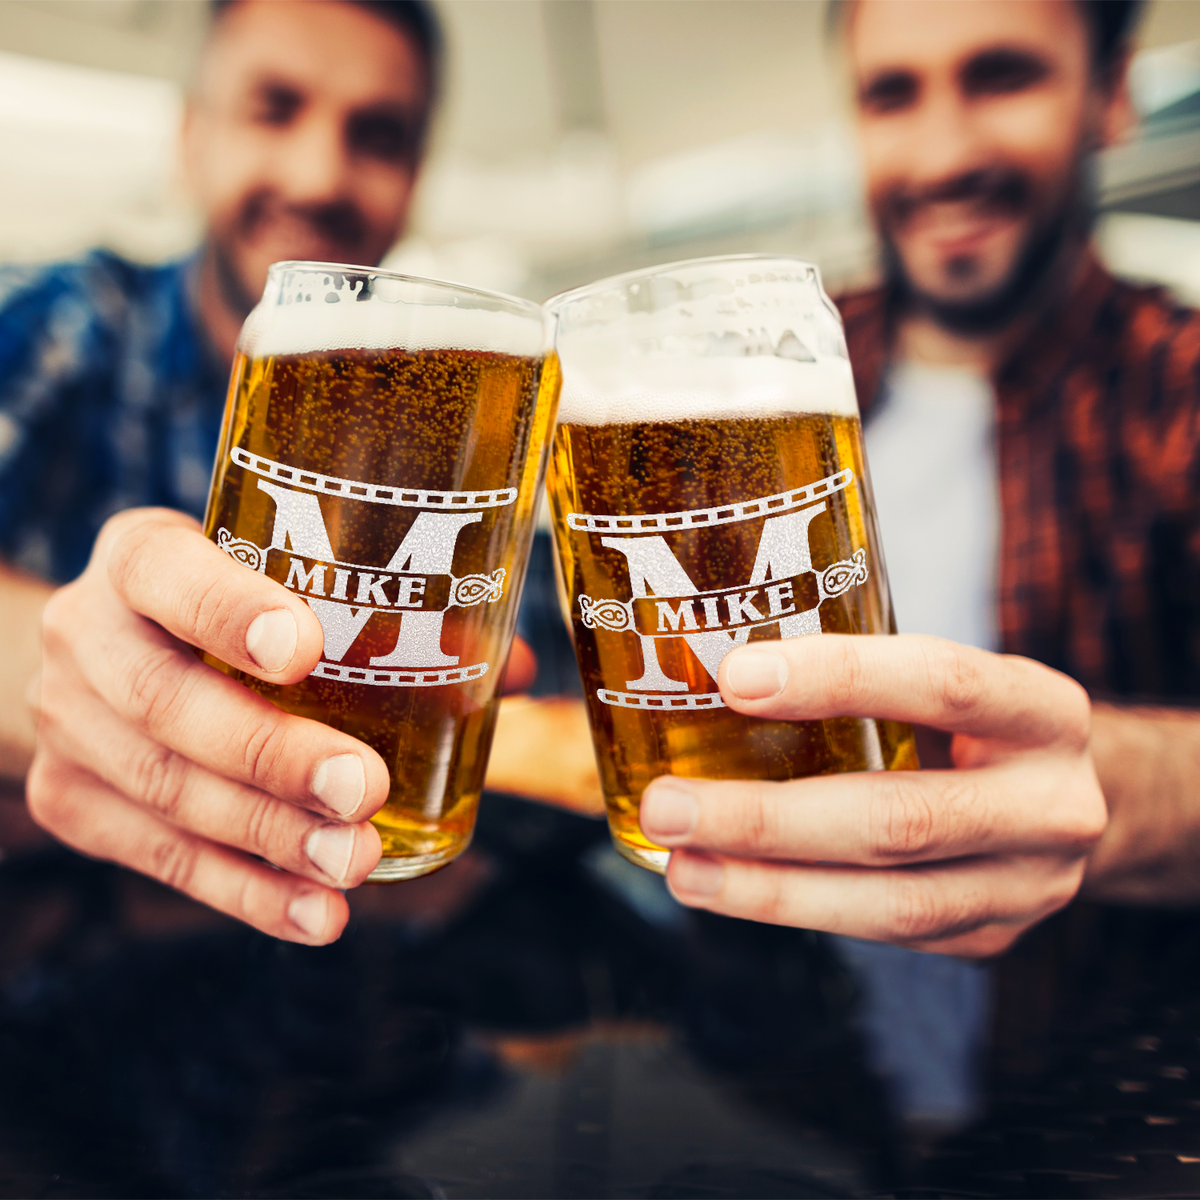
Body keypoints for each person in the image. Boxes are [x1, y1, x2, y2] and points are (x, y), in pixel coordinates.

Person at [639, 0, 1200, 959]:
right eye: (892, 94)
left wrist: (1112, 793)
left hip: (1094, 1069)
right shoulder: (743, 386)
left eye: (1001, 77)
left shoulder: (1177, 390)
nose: (942, 156)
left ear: (1111, 94)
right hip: (800, 1068)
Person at [0, 0, 506, 946]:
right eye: (275, 108)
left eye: (377, 135)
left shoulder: (456, 414)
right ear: (191, 139)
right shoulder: (67, 329)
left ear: (416, 177)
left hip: (351, 982)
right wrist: (59, 665)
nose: (320, 174)